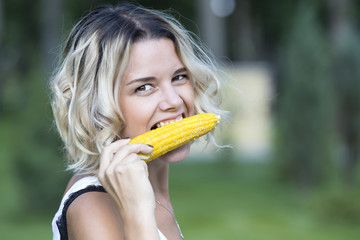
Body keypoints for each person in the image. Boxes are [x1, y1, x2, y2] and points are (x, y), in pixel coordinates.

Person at [50, 3, 225, 240]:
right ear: (100, 105)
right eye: (144, 87)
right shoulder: (92, 206)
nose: (174, 100)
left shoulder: (152, 190)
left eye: (179, 77)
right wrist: (137, 212)